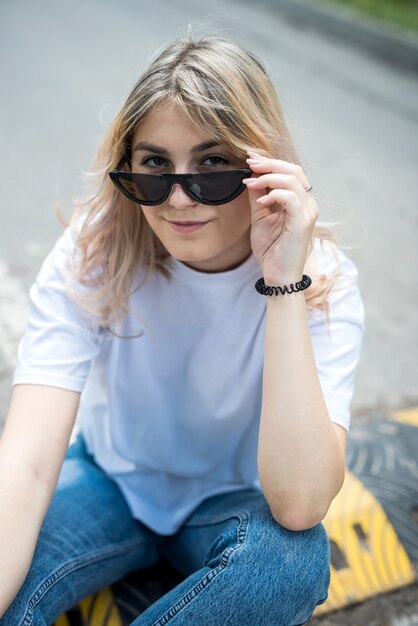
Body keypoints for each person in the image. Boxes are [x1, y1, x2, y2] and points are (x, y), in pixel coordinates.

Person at [0, 34, 365, 625]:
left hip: (233, 502)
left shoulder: (324, 281)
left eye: (214, 164)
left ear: (264, 167)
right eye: (153, 166)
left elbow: (299, 503)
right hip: (111, 481)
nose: (177, 198)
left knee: (289, 563)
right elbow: (26, 464)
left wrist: (281, 284)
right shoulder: (96, 247)